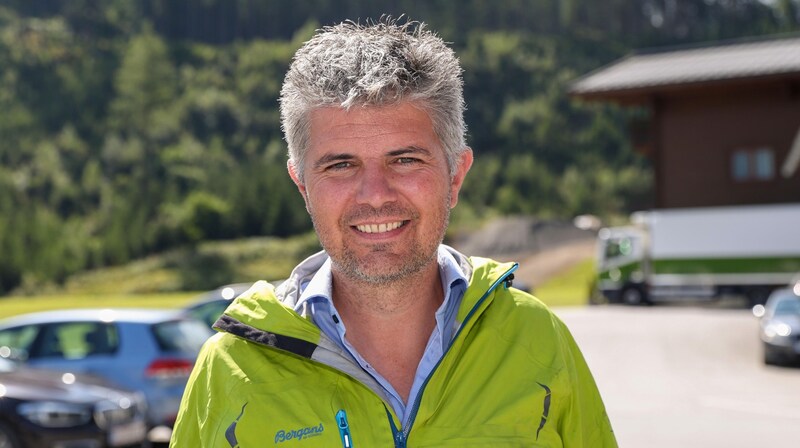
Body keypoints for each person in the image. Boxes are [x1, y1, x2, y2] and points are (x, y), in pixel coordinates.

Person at [171, 18, 616, 448]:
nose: (375, 195)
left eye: (405, 160)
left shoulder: (537, 339)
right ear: (303, 186)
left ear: (455, 177)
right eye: (340, 165)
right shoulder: (229, 369)